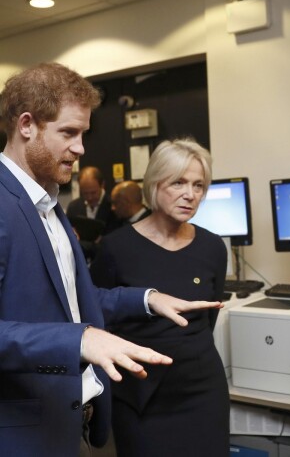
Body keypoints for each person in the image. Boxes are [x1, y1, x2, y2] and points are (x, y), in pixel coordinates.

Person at [0, 62, 223, 457]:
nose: (82, 148)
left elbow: (74, 302)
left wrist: (147, 299)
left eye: (83, 134)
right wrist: (79, 338)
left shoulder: (48, 206)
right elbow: (70, 327)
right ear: (27, 125)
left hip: (73, 422)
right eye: (69, 133)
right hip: (25, 432)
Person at [90, 138, 229, 457]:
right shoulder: (116, 247)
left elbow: (207, 321)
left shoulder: (211, 247)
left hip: (201, 391)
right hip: (141, 393)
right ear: (154, 184)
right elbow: (97, 313)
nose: (190, 194)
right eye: (178, 182)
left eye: (198, 185)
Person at [67, 165, 121, 262]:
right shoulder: (73, 207)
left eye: (93, 193)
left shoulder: (114, 207)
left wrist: (82, 244)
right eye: (85, 193)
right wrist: (94, 245)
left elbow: (112, 244)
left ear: (102, 185)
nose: (90, 197)